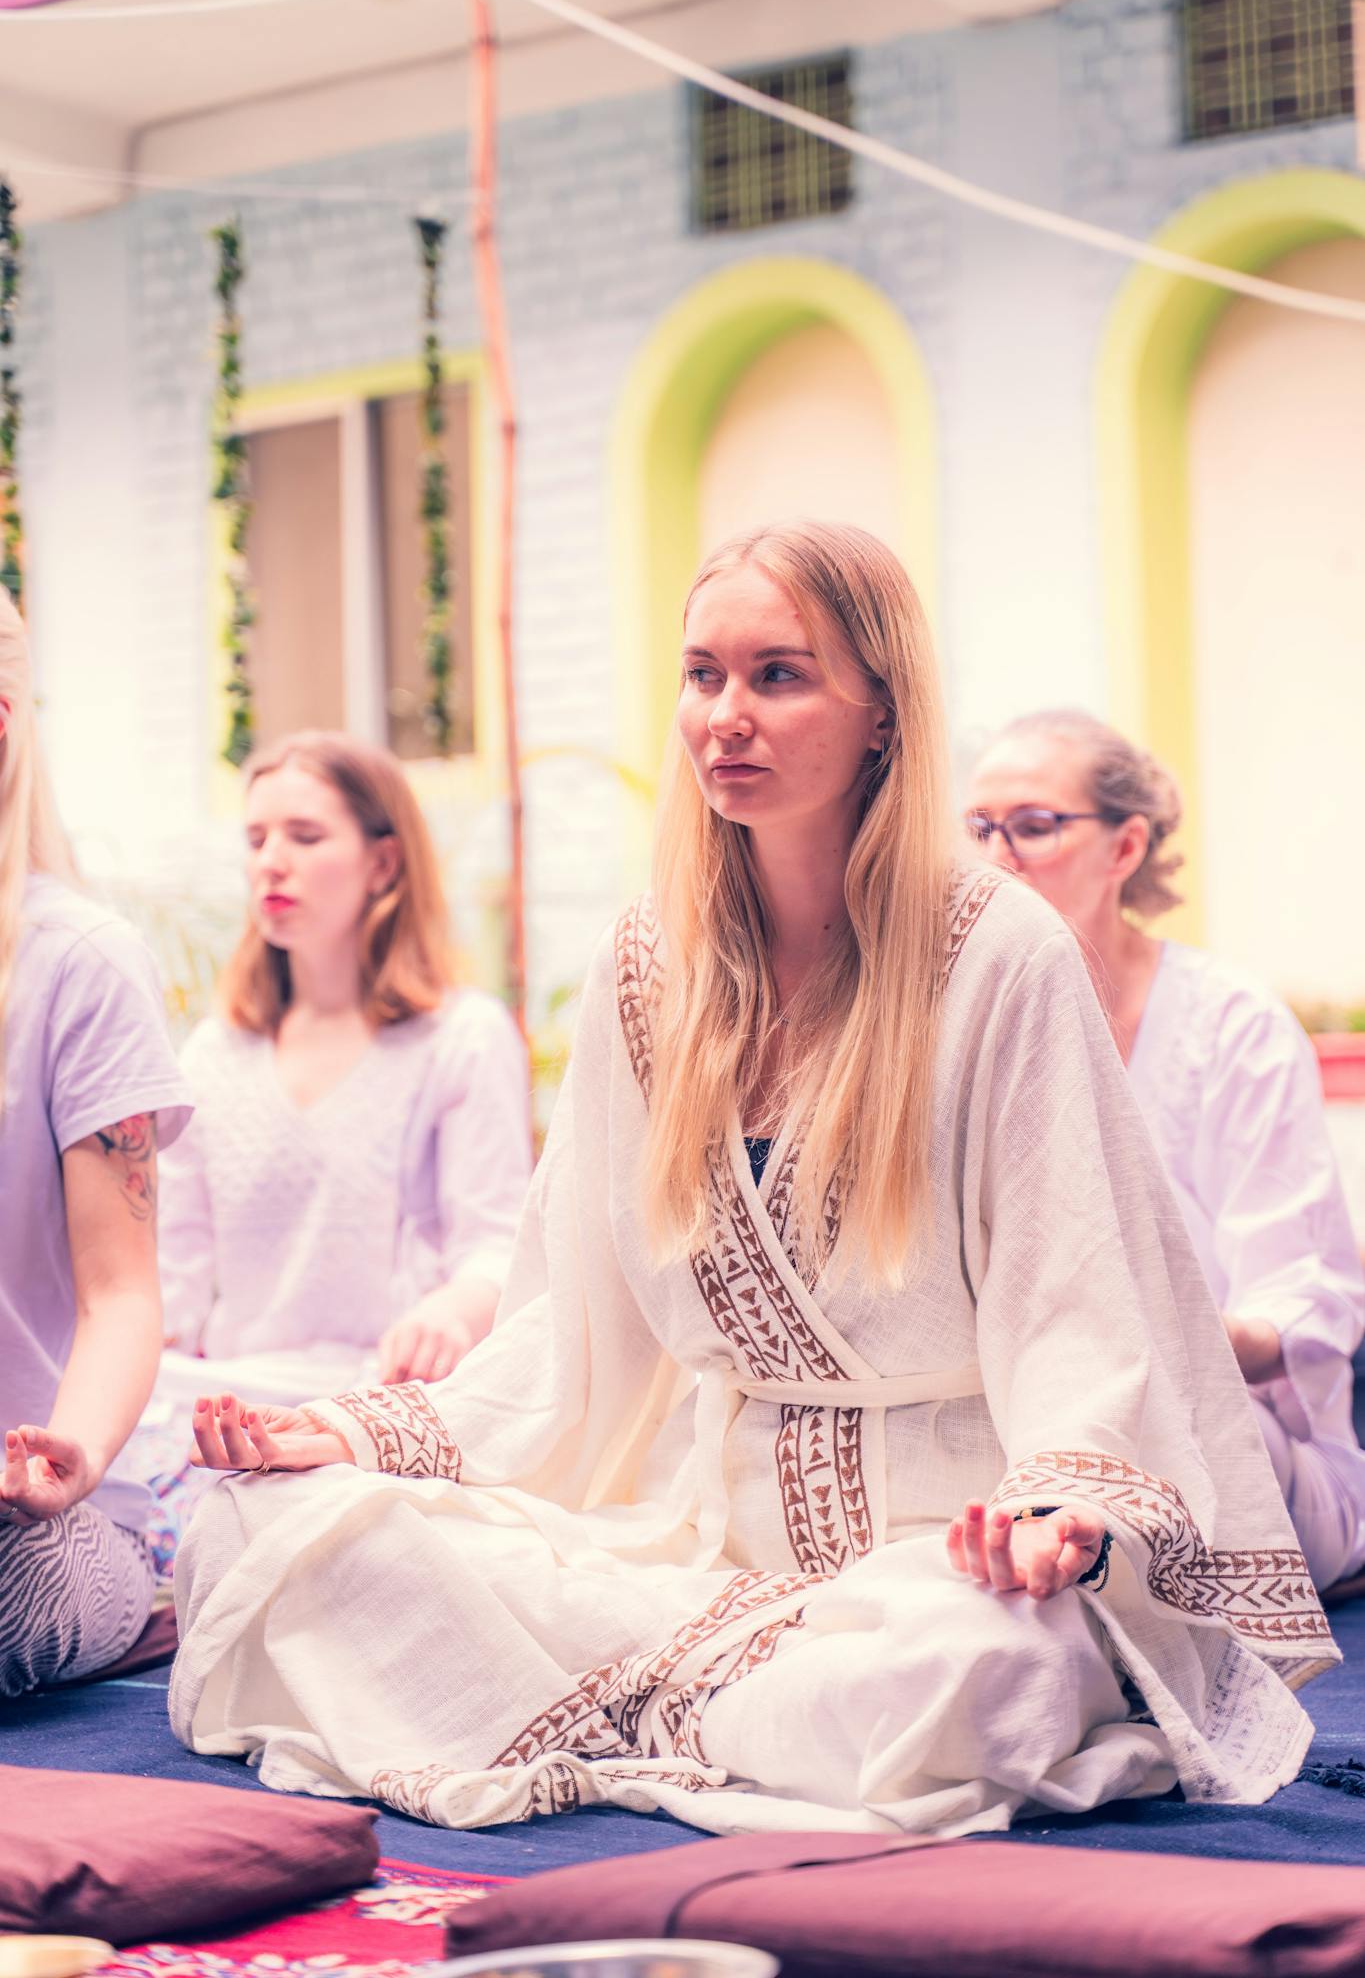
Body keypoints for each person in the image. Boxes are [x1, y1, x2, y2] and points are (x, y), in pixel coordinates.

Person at [171, 526, 1335, 1839]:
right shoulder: (641, 966)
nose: (724, 717)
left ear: (881, 709)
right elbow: (573, 1328)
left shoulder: (1000, 956)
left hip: (938, 1563)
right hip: (687, 1551)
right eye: (702, 675)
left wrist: (1055, 1511)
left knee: (988, 1672)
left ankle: (655, 1713)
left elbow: (1078, 1300)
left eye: (777, 675)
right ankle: (709, 1714)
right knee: (265, 1522)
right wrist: (355, 1434)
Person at [966, 710, 1365, 1591]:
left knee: (1132, 1423)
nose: (996, 860)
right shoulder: (964, 1034)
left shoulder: (1233, 1027)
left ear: (1124, 847)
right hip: (1036, 1429)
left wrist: (1134, 1339)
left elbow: (1307, 1307)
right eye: (977, 830)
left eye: (1032, 827)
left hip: (1248, 1446)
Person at [126, 732, 531, 1565]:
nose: (271, 862)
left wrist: (452, 1312)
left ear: (384, 864)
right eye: (256, 839)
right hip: (234, 1399)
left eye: (305, 837)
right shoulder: (212, 1054)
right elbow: (171, 1278)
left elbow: (499, 1243)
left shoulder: (459, 1038)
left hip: (378, 1401)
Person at [0, 590, 191, 1696]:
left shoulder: (81, 963)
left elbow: (121, 1294)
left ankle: (138, 1592)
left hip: (34, 1532)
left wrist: (64, 1457)